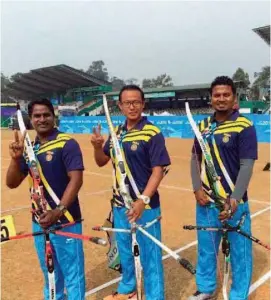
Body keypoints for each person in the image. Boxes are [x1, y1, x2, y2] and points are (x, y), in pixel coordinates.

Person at [91, 85, 171, 300]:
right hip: (120, 206)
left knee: (151, 257)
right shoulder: (116, 132)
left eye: (136, 102)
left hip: (146, 207)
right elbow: (101, 162)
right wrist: (97, 147)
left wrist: (143, 200)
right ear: (120, 106)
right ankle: (129, 290)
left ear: (143, 104)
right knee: (125, 253)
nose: (132, 106)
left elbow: (158, 170)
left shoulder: (152, 132)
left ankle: (155, 296)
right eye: (127, 103)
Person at [6, 98, 85, 300]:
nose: (42, 119)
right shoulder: (30, 149)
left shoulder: (67, 143)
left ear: (54, 116)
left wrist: (57, 211)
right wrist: (16, 159)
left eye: (46, 115)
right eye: (37, 116)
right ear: (31, 120)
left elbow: (76, 180)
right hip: (39, 223)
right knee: (50, 272)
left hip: (66, 220)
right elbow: (12, 183)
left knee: (73, 274)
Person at [189, 76, 257, 300]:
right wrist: (197, 189)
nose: (221, 99)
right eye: (217, 95)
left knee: (240, 253)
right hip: (207, 202)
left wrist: (235, 198)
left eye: (226, 94)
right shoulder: (203, 127)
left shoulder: (244, 125)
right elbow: (195, 159)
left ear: (234, 98)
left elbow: (247, 165)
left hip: (234, 203)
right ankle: (206, 288)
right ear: (211, 98)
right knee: (207, 249)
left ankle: (238, 295)